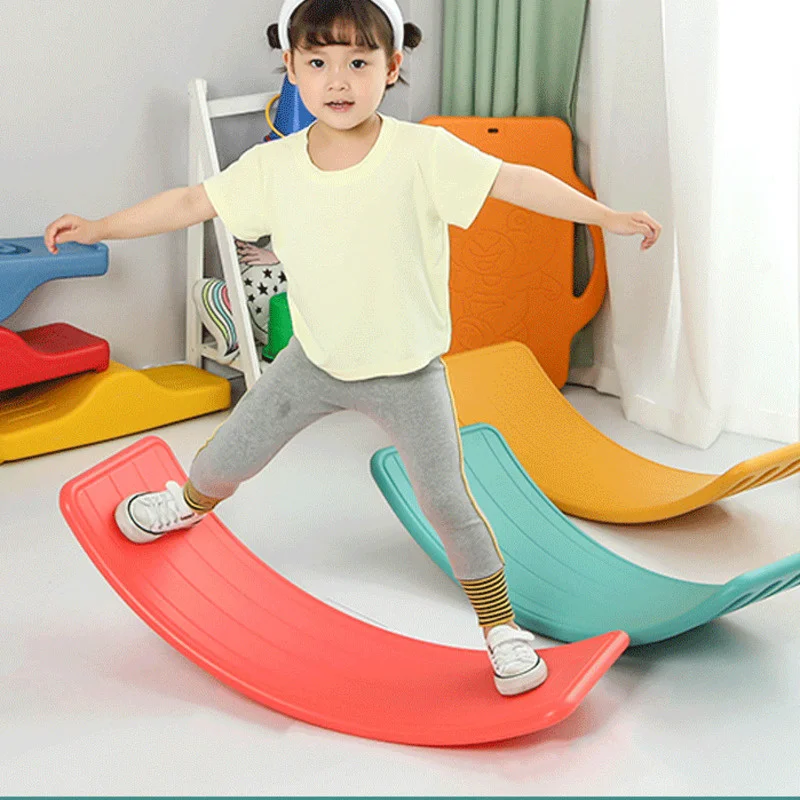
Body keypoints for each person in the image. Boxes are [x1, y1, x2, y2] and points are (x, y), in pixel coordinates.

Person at [44, 0, 661, 697]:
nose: (338, 80)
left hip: (408, 373)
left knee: (448, 504)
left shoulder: (421, 153)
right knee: (225, 459)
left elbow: (513, 180)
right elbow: (190, 203)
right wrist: (100, 227)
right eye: (318, 62)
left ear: (392, 67)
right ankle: (186, 503)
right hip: (314, 362)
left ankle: (501, 631)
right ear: (291, 67)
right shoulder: (273, 165)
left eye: (359, 62)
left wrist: (605, 215)